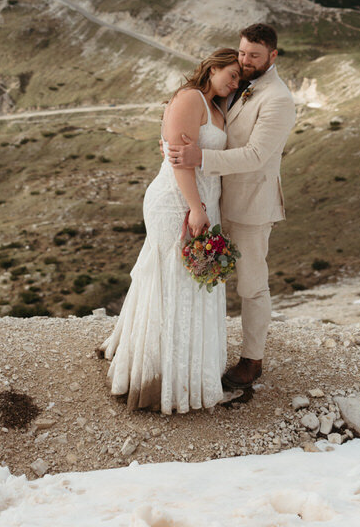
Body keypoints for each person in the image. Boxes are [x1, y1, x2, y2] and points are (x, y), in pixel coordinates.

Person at [100, 48, 241, 414]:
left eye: (240, 78)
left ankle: (189, 375)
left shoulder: (217, 108)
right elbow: (178, 159)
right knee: (171, 283)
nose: (235, 82)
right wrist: (195, 207)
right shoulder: (189, 98)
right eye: (232, 73)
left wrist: (205, 208)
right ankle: (155, 378)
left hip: (203, 205)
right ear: (213, 68)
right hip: (177, 202)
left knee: (191, 287)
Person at [167, 23, 295, 389]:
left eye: (254, 55)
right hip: (216, 198)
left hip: (253, 204)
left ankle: (252, 360)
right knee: (202, 276)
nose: (245, 61)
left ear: (273, 55)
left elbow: (255, 155)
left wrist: (198, 156)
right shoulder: (238, 84)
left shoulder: (278, 99)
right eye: (241, 53)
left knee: (252, 286)